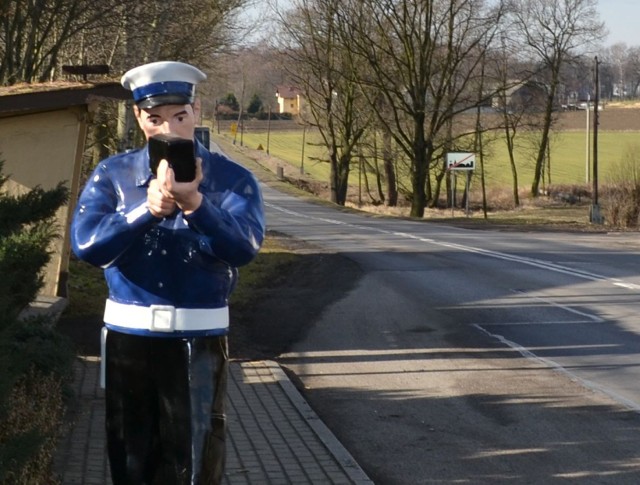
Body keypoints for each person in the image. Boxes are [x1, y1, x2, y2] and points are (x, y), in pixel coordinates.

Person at [70, 61, 266, 484]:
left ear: (196, 111)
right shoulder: (114, 175)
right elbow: (86, 245)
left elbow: (243, 248)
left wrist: (198, 205)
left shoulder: (233, 180)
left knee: (197, 459)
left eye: (179, 116)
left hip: (199, 336)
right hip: (129, 336)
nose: (169, 130)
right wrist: (146, 211)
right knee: (130, 459)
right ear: (139, 118)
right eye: (155, 118)